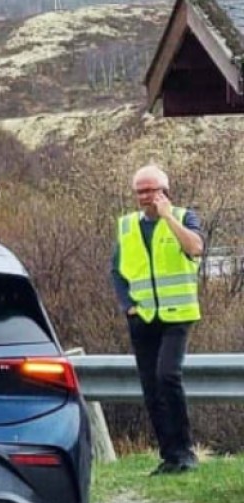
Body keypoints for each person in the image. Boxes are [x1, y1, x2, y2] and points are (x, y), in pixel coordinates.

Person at [111, 165, 204, 475]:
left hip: (177, 315)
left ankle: (185, 451)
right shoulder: (126, 226)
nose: (145, 197)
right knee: (151, 387)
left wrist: (168, 217)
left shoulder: (184, 216)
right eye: (140, 191)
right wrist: (128, 306)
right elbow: (117, 271)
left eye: (151, 190)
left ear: (165, 190)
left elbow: (195, 248)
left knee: (167, 376)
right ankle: (169, 456)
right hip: (143, 317)